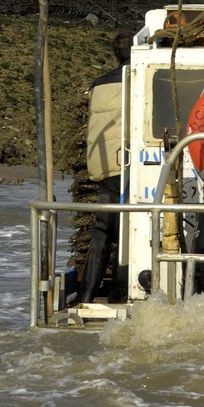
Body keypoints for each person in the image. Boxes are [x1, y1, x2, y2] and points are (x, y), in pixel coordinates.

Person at [77, 31, 131, 304]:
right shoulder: (139, 79)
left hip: (103, 162)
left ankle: (86, 293)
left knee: (102, 230)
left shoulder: (98, 85)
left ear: (114, 55)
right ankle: (119, 294)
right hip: (129, 164)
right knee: (126, 230)